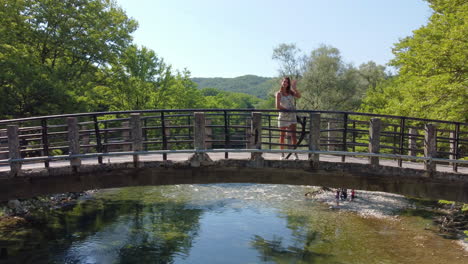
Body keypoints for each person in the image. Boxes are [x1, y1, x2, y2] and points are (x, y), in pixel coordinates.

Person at [276, 77, 301, 160]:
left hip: (292, 116)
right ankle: (282, 154)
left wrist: (295, 88)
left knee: (294, 136)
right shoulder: (278, 93)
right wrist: (287, 110)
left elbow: (299, 96)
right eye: (284, 81)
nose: (285, 83)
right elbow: (278, 106)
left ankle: (295, 154)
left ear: (288, 84)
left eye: (286, 82)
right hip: (283, 116)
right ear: (281, 82)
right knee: (282, 136)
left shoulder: (291, 92)